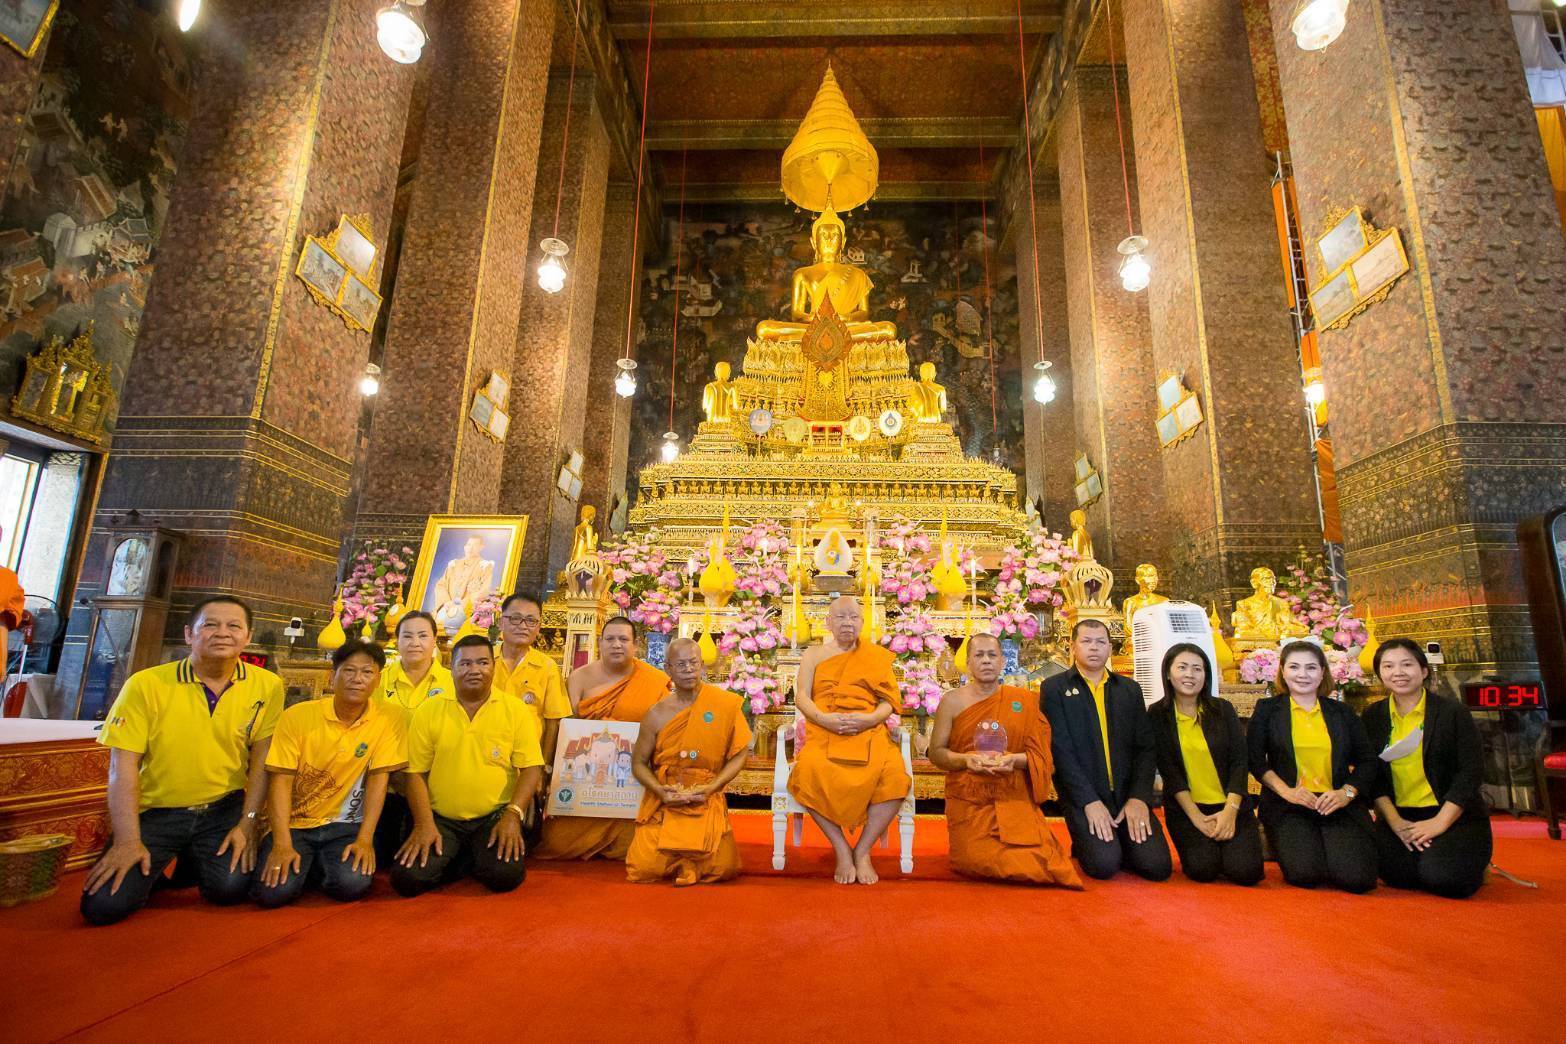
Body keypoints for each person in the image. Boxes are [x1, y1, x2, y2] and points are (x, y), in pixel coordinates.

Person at [82, 596, 284, 925]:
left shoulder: (267, 685)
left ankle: (192, 859)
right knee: (104, 907)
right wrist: (128, 839)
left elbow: (262, 760)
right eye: (210, 625)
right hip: (159, 810)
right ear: (189, 634)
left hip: (222, 808)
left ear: (247, 637)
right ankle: (160, 862)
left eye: (234, 626)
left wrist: (247, 823)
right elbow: (123, 768)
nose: (223, 633)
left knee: (230, 889)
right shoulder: (146, 685)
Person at [254, 640, 406, 907]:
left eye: (367, 672)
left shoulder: (388, 718)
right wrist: (281, 843)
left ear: (378, 679)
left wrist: (364, 840)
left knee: (352, 884)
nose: (357, 679)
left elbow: (378, 780)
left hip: (345, 826)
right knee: (273, 894)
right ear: (331, 675)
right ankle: (306, 862)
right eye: (349, 670)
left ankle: (314, 866)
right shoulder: (298, 716)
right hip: (295, 824)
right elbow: (280, 781)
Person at [391, 635, 541, 896]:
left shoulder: (515, 710)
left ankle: (466, 856)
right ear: (452, 668)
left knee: (505, 876)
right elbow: (415, 772)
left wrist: (512, 815)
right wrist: (424, 824)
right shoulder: (429, 710)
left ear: (493, 667)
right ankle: (464, 856)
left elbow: (530, 768)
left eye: (483, 662)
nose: (475, 670)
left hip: (493, 816)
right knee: (407, 879)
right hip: (442, 818)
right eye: (466, 664)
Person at [928, 633, 1081, 888]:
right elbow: (936, 753)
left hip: (1014, 797)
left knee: (1045, 862)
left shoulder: (1023, 701)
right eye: (979, 655)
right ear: (968, 662)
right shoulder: (952, 701)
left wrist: (1014, 760)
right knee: (976, 859)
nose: (986, 661)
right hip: (971, 799)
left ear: (1002, 661)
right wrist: (967, 760)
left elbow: (1043, 758)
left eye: (992, 655)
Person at [789, 595, 911, 885]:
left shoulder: (875, 656)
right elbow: (802, 696)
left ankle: (863, 850)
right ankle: (842, 848)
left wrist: (869, 719)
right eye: (841, 617)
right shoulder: (814, 655)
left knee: (895, 777)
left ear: (862, 622)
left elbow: (888, 701)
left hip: (868, 730)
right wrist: (823, 719)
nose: (847, 623)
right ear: (828, 622)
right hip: (825, 729)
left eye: (853, 617)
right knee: (806, 773)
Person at [1041, 619, 1172, 881]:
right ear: (1072, 647)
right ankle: (1089, 842)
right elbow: (1060, 750)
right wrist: (1088, 801)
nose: (1094, 648)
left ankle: (1118, 837)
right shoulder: (1055, 688)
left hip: (1126, 795)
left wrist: (1138, 798)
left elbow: (1145, 748)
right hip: (1085, 796)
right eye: (1086, 641)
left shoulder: (1129, 690)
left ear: (1110, 648)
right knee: (1104, 865)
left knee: (1157, 867)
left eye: (1101, 642)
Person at [1362, 638, 1491, 898]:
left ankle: (1474, 863)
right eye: (1388, 667)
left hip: (1451, 814)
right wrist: (1395, 822)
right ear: (1380, 675)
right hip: (1400, 816)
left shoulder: (1452, 713)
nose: (1397, 673)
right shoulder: (1373, 717)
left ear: (1423, 671)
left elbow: (1470, 772)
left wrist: (1438, 824)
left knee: (1444, 879)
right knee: (1397, 876)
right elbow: (1372, 776)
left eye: (1406, 664)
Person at [1247, 639, 1379, 893]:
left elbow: (1367, 761)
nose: (1302, 675)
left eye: (1311, 668)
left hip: (1336, 803)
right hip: (1290, 805)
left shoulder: (1341, 712)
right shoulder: (1268, 710)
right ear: (1283, 672)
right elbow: (1254, 760)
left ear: (1322, 673)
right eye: (1294, 667)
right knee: (1305, 874)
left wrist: (1346, 793)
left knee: (1358, 880)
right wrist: (1287, 792)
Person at [534, 617, 671, 860]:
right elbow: (568, 731)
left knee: (645, 843)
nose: (616, 645)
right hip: (586, 778)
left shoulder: (655, 681)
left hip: (632, 779)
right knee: (557, 843)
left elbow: (664, 733)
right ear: (600, 643)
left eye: (623, 639)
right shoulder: (579, 677)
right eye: (610, 639)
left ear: (636, 644)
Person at [625, 638, 752, 885]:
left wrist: (713, 787)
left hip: (706, 793)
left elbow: (740, 754)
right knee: (643, 868)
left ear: (702, 666)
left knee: (721, 868)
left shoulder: (723, 704)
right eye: (680, 664)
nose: (688, 669)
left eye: (693, 663)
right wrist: (660, 791)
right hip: (667, 797)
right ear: (668, 669)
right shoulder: (657, 713)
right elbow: (638, 763)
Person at [1147, 643, 1264, 885]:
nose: (1189, 675)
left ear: (1206, 675)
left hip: (1231, 805)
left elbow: (1240, 763)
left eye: (1197, 669)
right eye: (1182, 667)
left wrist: (1231, 812)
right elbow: (1170, 772)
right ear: (1168, 673)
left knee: (1246, 873)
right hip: (1188, 809)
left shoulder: (1223, 709)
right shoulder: (1157, 715)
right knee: (1203, 870)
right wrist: (1197, 817)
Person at [374, 610, 452, 862]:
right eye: (407, 636)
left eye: (422, 635)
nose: (415, 643)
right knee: (384, 855)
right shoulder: (379, 680)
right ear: (396, 641)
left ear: (434, 641)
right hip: (388, 781)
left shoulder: (452, 682)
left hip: (436, 780)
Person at [493, 593, 571, 768]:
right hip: (483, 755)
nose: (523, 626)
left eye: (530, 621)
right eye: (515, 618)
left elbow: (553, 722)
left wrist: (543, 768)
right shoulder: (484, 661)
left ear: (538, 627)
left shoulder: (547, 667)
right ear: (501, 621)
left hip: (527, 762)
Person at [431, 535, 495, 632]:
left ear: (481, 547)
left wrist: (461, 604)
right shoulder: (454, 564)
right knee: (438, 623)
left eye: (475, 545)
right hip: (447, 606)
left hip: (467, 609)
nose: (470, 548)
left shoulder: (485, 566)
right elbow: (441, 585)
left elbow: (484, 591)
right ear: (465, 546)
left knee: (458, 624)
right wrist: (447, 602)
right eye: (468, 544)